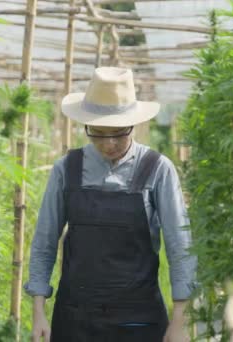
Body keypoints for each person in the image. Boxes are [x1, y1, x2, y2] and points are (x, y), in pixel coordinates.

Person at [25, 67, 197, 342]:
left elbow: (180, 245)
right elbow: (45, 241)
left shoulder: (157, 169)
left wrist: (180, 319)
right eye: (99, 133)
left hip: (139, 321)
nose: (110, 144)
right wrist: (38, 312)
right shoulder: (66, 169)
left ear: (134, 124)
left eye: (118, 132)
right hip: (75, 320)